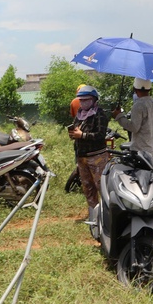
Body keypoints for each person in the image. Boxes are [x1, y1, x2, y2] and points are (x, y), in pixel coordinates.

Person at [68, 86, 109, 218]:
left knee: (101, 185)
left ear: (94, 100)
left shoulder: (100, 114)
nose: (83, 103)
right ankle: (94, 214)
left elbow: (100, 135)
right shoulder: (80, 114)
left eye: (86, 100)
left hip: (97, 156)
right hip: (82, 156)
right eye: (81, 100)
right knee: (87, 186)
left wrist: (83, 135)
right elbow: (77, 130)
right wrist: (73, 134)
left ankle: (108, 212)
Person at [112, 78, 153, 157]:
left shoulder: (138, 105)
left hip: (140, 151)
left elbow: (134, 128)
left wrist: (119, 116)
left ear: (135, 89)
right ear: (149, 89)